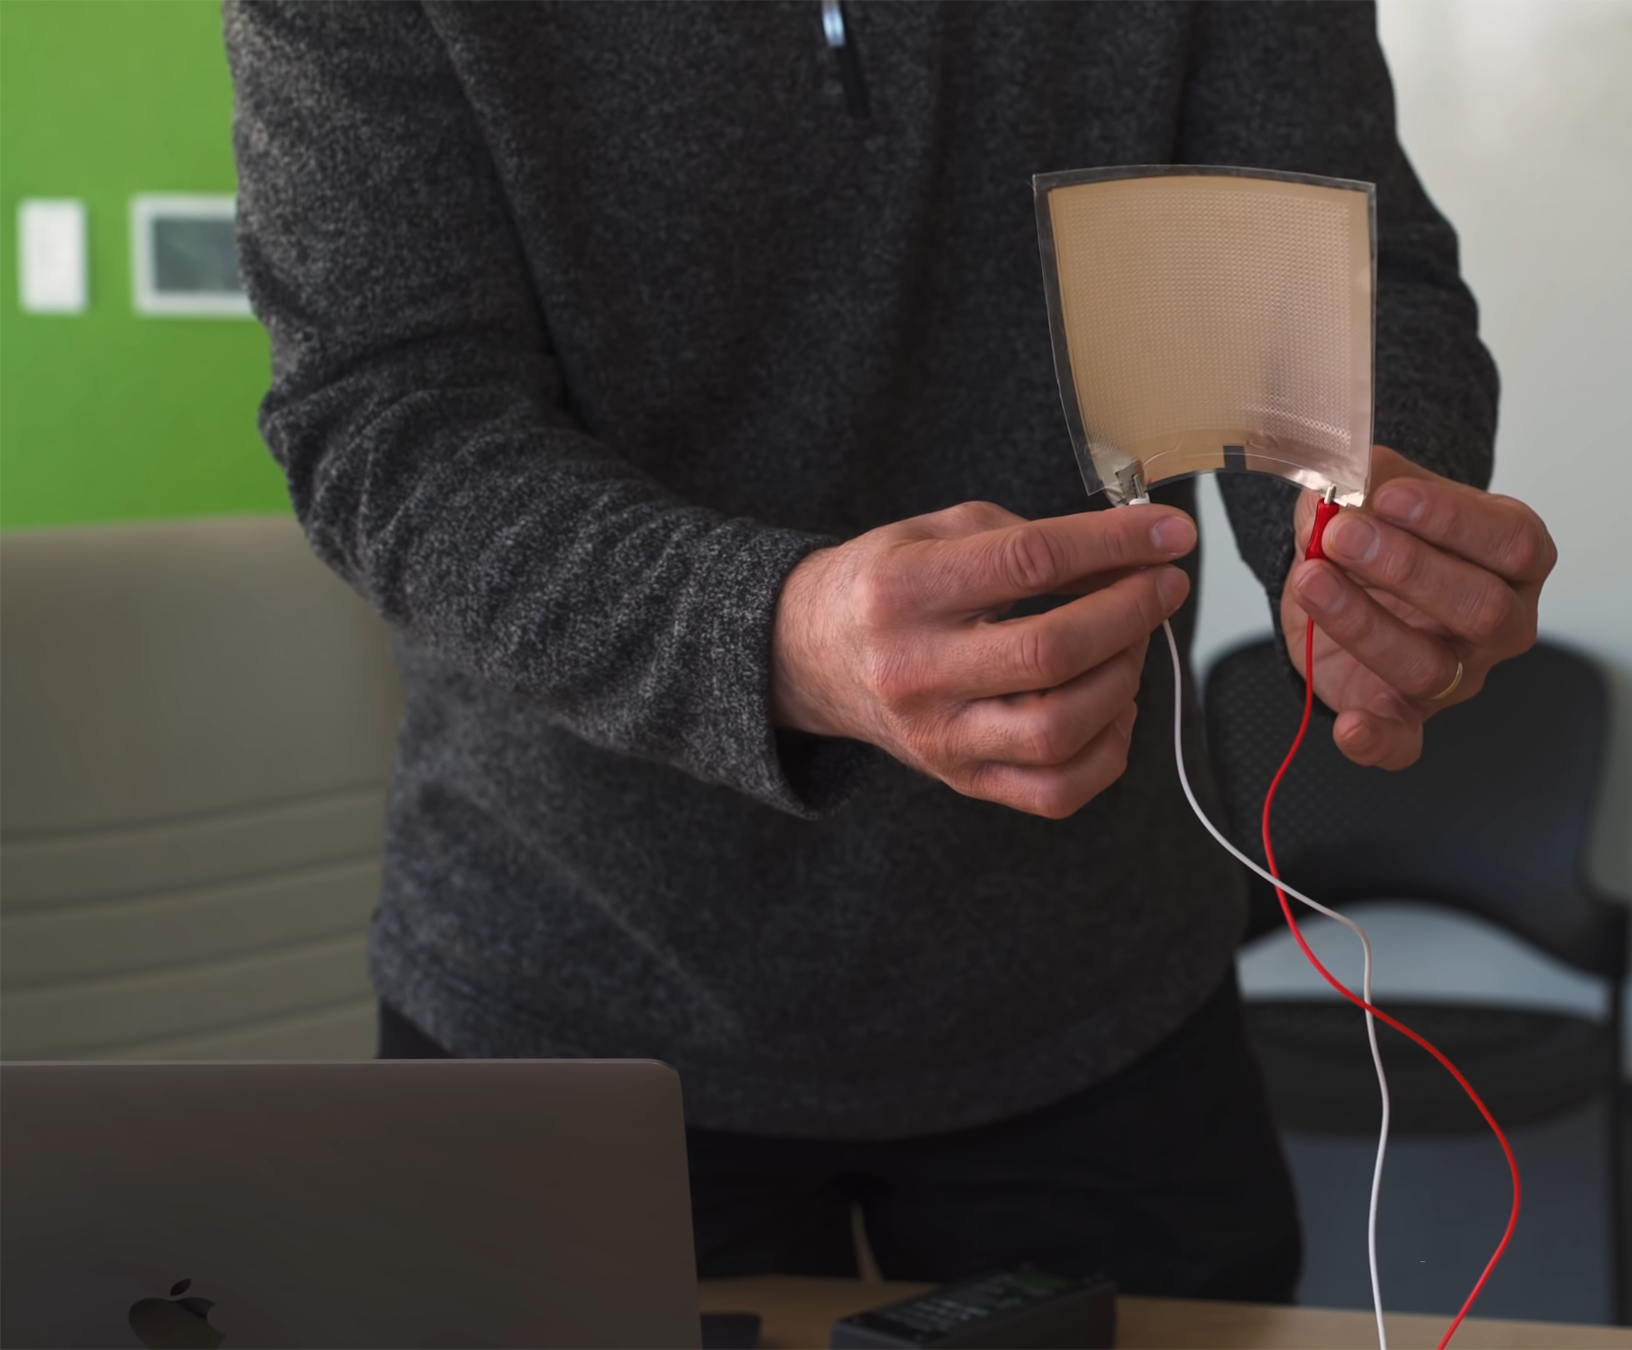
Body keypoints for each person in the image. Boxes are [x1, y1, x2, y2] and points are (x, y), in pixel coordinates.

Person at [225, 0, 1556, 1301]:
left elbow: (1330, 262)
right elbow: (394, 429)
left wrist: (1357, 533)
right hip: (574, 1000)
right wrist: (781, 633)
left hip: (1099, 979)